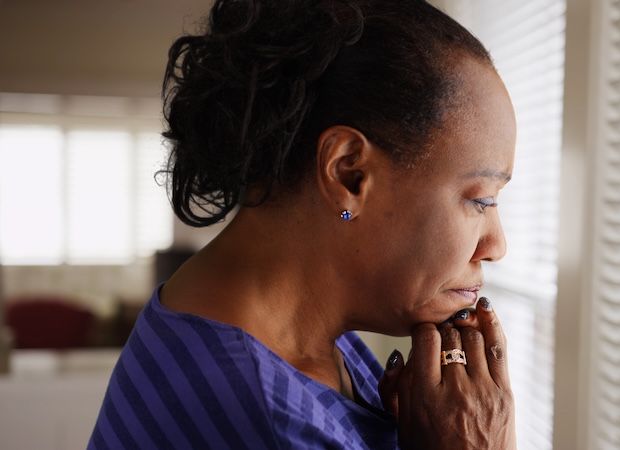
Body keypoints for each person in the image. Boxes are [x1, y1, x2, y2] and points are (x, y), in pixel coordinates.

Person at [89, 0, 517, 448]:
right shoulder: (272, 422)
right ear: (349, 173)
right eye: (481, 200)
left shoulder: (266, 323)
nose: (496, 245)